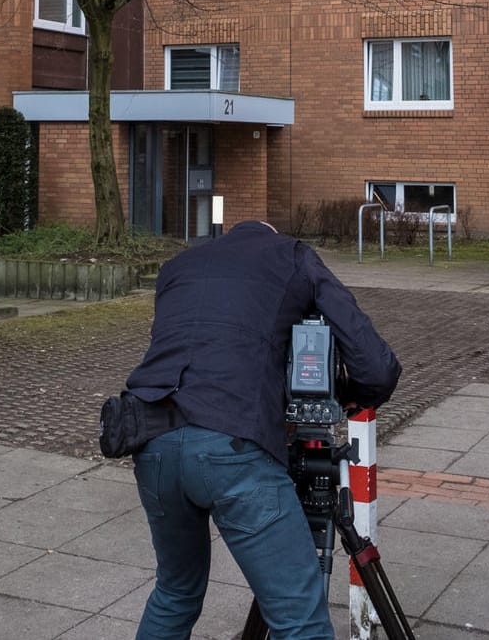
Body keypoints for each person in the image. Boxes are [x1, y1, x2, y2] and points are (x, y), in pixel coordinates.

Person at [124, 220, 401, 640]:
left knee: (175, 591)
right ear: (271, 235)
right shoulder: (292, 255)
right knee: (299, 619)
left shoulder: (179, 265)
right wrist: (353, 395)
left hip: (151, 439)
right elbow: (375, 365)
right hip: (232, 445)